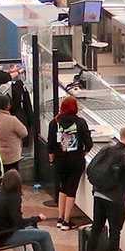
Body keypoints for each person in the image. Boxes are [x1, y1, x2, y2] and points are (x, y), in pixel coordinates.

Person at [0, 169, 66, 251]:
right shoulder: (13, 197)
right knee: (44, 235)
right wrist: (36, 218)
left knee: (34, 231)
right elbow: (18, 223)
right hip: (6, 236)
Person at [48, 96, 91, 229]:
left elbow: (50, 145)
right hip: (75, 161)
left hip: (60, 161)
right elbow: (88, 143)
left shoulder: (54, 122)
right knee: (71, 189)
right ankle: (67, 221)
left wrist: (52, 160)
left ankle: (60, 218)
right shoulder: (80, 123)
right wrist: (82, 153)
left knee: (62, 188)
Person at [0, 94, 28, 173]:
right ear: (8, 106)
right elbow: (24, 133)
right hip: (12, 157)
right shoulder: (13, 120)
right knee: (12, 178)